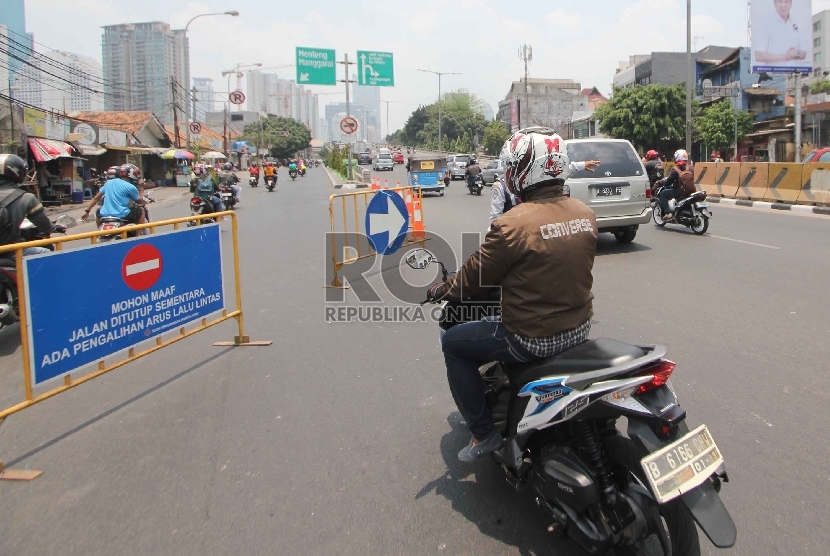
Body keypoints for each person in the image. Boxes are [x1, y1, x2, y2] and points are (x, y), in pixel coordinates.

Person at [424, 128, 599, 463]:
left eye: (511, 167)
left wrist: (442, 289)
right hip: (580, 330)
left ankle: (483, 433)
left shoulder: (512, 223)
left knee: (454, 345)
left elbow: (472, 279)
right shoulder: (584, 213)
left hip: (531, 338)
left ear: (523, 170)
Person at [0, 154, 61, 256]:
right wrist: (54, 228)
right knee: (46, 252)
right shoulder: (26, 198)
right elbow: (44, 225)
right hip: (10, 251)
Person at [83, 164, 146, 228]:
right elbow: (139, 201)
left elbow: (96, 198)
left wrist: (87, 211)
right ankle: (139, 234)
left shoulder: (108, 183)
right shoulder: (131, 187)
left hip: (104, 215)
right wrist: (141, 189)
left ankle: (100, 230)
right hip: (122, 215)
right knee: (141, 210)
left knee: (98, 211)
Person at [754, 0, 809, 66]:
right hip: (772, 74)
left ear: (790, 4)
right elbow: (758, 55)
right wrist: (784, 57)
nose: (783, 5)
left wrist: (796, 54)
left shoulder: (796, 24)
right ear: (775, 3)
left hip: (793, 73)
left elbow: (804, 53)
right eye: (780, 1)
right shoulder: (765, 24)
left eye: (786, 1)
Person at [657, 149, 695, 220]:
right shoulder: (690, 167)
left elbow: (668, 182)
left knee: (663, 194)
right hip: (691, 190)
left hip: (679, 191)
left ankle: (668, 213)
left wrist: (660, 182)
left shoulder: (676, 169)